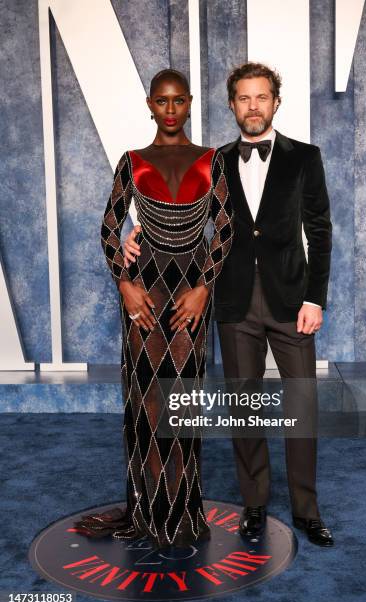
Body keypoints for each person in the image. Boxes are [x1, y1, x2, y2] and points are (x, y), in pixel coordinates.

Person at [123, 62, 334, 547]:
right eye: (244, 98)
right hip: (234, 300)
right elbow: (180, 212)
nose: (253, 106)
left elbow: (320, 234)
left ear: (275, 103)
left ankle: (306, 509)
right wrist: (137, 232)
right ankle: (254, 504)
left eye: (261, 97)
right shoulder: (212, 161)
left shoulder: (305, 157)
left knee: (301, 405)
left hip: (290, 302)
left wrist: (314, 299)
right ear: (232, 104)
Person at [74, 69, 233, 549]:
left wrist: (204, 288)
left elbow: (224, 228)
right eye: (160, 101)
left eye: (177, 101)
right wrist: (123, 282)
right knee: (145, 400)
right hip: (144, 294)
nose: (169, 110)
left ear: (189, 103)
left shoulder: (211, 160)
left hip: (190, 293)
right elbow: (109, 226)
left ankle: (183, 512)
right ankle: (145, 510)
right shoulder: (132, 161)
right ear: (149, 104)